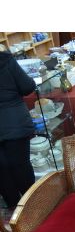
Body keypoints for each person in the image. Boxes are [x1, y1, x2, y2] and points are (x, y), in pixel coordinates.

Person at [0, 44, 36, 209]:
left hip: (11, 124)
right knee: (21, 166)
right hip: (14, 122)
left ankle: (14, 208)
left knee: (2, 172)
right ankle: (30, 207)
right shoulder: (5, 60)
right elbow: (27, 86)